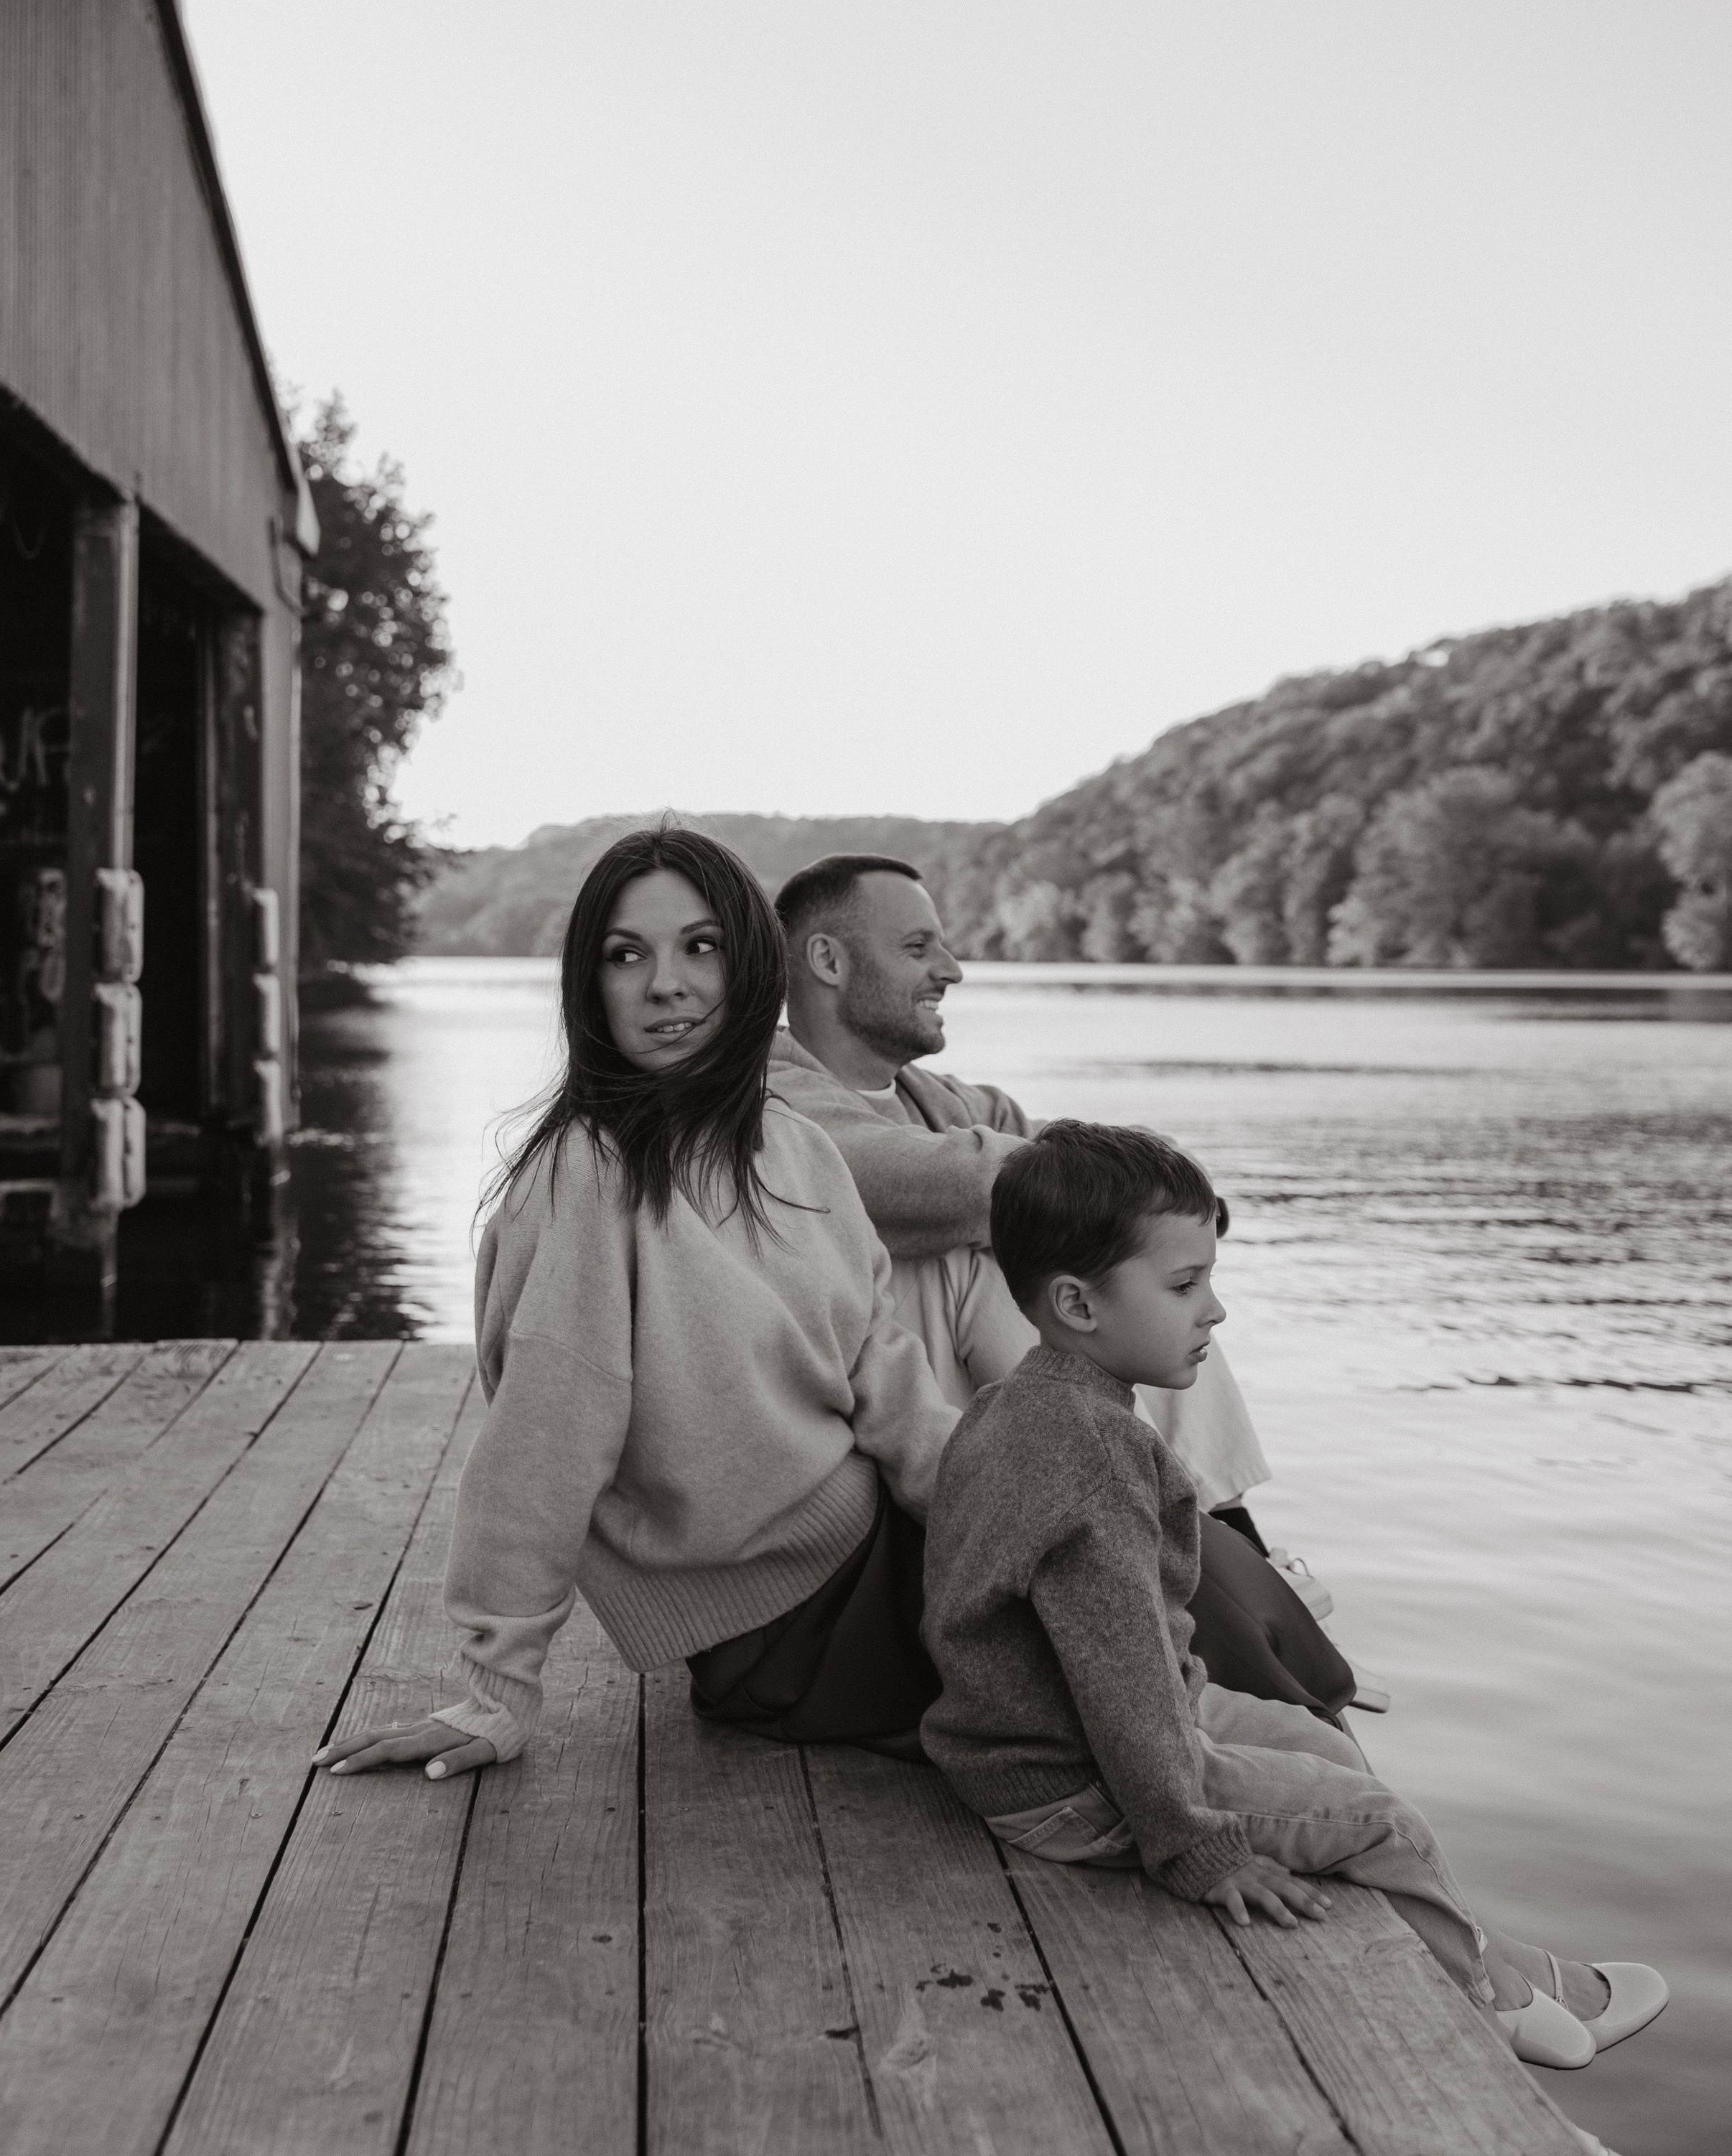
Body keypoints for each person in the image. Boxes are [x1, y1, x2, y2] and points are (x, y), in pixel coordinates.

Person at [919, 1119, 1670, 2082]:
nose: (1216, 1310)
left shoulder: (1021, 1406)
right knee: (1374, 1818)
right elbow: (1120, 1680)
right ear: (1077, 1303)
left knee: (1319, 1741)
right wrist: (1195, 1847)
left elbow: (1126, 1665)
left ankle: (1490, 1955)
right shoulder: (1092, 1458)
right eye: (1185, 1286)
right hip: (1072, 1779)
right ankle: (1495, 2004)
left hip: (1062, 1733)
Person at [314, 825, 960, 1785]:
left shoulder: (792, 1145)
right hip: (790, 1628)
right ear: (590, 984)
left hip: (882, 1547)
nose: (667, 983)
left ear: (749, 969)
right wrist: (499, 1688)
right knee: (1135, 1670)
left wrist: (987, 1498)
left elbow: (885, 1371)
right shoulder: (587, 1175)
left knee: (1137, 1536)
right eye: (629, 954)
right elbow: (543, 1437)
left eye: (701, 947)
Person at [767, 853, 1272, 1520]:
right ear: (828, 962)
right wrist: (1132, 1196)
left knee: (1141, 1262)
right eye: (919, 948)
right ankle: (1150, 1526)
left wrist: (1154, 1198)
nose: (951, 969)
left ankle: (1219, 1527)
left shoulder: (944, 1100)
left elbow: (1094, 1154)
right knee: (1027, 1233)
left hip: (991, 1404)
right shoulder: (770, 1107)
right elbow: (968, 1182)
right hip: (884, 1422)